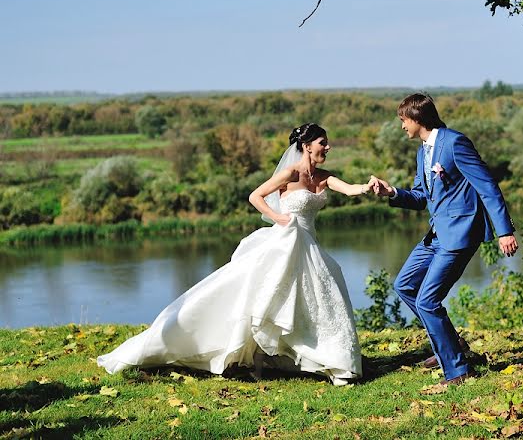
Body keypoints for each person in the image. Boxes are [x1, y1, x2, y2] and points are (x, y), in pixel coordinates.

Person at [97, 123, 370, 385]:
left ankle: (330, 359)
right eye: (323, 142)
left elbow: (349, 189)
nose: (329, 147)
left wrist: (368, 187)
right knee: (269, 298)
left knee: (319, 296)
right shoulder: (289, 174)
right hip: (285, 241)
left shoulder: (322, 177)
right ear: (307, 146)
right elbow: (256, 196)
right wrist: (278, 217)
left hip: (310, 246)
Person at [371, 93, 518, 385]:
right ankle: (454, 345)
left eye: (403, 120)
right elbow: (421, 196)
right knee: (404, 286)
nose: (402, 127)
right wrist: (392, 193)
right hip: (436, 234)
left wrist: (504, 231)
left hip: (460, 235)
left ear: (417, 119)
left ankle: (457, 370)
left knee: (427, 300)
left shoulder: (454, 143)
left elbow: (487, 185)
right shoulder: (422, 152)